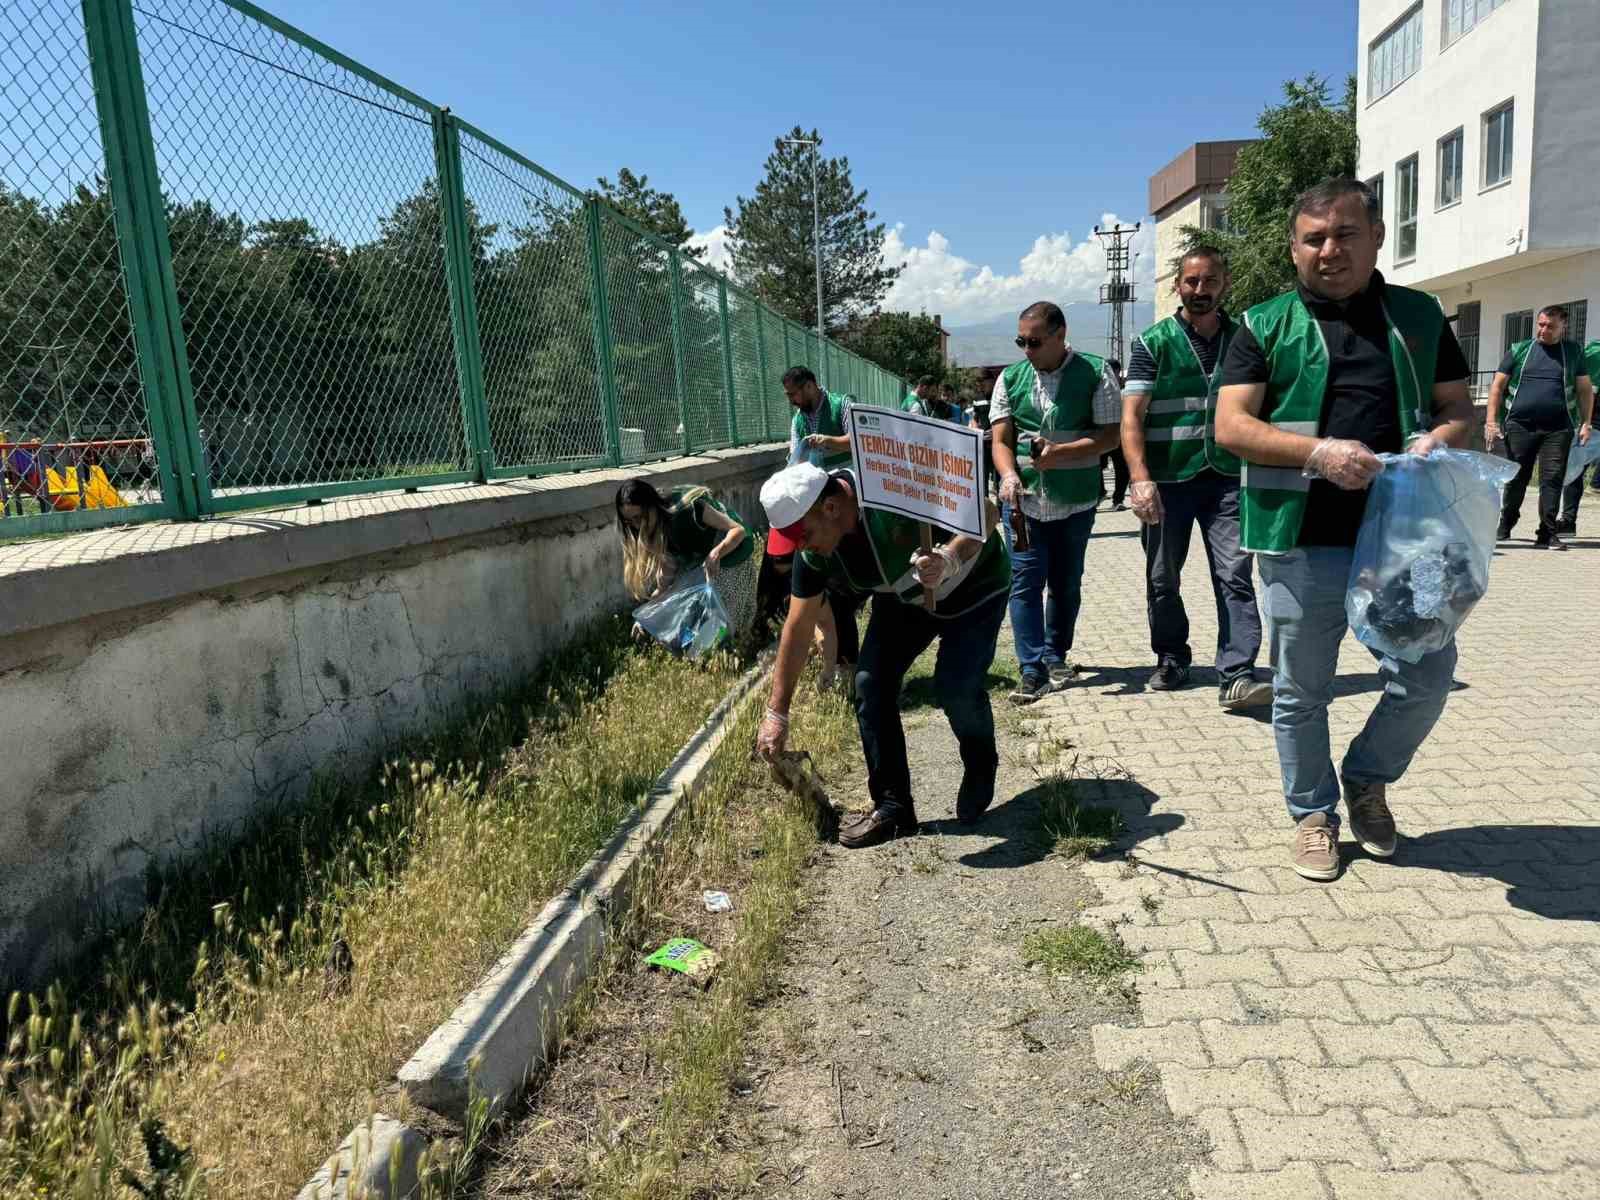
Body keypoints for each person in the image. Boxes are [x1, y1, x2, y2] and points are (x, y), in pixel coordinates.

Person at [1215, 176, 1473, 883]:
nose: (1330, 250)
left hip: (1406, 539)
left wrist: (1439, 438)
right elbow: (1231, 424)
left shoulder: (1419, 316)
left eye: (1346, 235)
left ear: (1377, 237)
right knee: (1301, 690)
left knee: (1427, 676)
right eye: (1314, 238)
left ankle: (1366, 779)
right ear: (1294, 247)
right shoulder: (1261, 324)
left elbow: (1458, 407)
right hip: (1301, 537)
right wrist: (1318, 454)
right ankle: (1313, 814)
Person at [755, 462, 1010, 848]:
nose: (802, 549)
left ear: (831, 507)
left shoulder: (894, 485)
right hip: (905, 598)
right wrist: (777, 714)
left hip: (975, 587)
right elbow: (798, 625)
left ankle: (979, 763)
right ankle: (893, 809)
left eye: (804, 536)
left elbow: (987, 509)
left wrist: (949, 557)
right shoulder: (814, 553)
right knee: (869, 686)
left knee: (956, 686)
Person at [1122, 247, 1272, 710]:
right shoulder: (1153, 342)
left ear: (1224, 283)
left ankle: (1238, 672)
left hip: (1226, 477)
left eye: (1209, 281)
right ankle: (1172, 656)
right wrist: (1139, 478)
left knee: (1234, 575)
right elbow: (1131, 416)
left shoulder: (1246, 338)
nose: (1200, 290)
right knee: (1163, 577)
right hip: (1167, 481)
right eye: (1191, 282)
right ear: (1178, 285)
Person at [990, 301, 1121, 704]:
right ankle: (1032, 671)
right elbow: (1000, 441)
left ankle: (1054, 653)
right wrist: (1009, 475)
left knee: (1066, 585)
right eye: (1021, 341)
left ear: (1060, 336)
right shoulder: (1010, 379)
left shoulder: (1097, 373)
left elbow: (1111, 435)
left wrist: (1060, 454)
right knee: (1024, 584)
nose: (1026, 350)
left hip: (1075, 504)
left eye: (1034, 342)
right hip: (1023, 505)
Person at [1484, 306, 1594, 549]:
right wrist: (1491, 421)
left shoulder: (1573, 352)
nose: (1543, 330)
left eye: (1550, 326)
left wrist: (1586, 422)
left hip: (1558, 428)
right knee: (1517, 479)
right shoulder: (1520, 349)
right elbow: (1497, 386)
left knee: (1552, 479)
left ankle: (1547, 532)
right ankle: (1506, 524)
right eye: (1541, 324)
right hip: (1520, 426)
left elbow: (1585, 389)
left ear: (1563, 327)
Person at [615, 478, 759, 645]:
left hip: (732, 552)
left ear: (652, 505)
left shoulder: (688, 509)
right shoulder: (657, 532)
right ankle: (705, 649)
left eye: (639, 517)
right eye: (629, 521)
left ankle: (735, 646)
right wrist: (644, 619)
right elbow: (664, 585)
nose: (636, 526)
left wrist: (716, 553)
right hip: (701, 560)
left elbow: (737, 530)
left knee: (722, 614)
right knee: (689, 610)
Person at [1557, 338, 1600, 534]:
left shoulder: (1592, 351)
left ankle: (1567, 521)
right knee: (1575, 467)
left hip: (1591, 421)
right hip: (1591, 420)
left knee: (1575, 467)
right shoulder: (1594, 351)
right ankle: (1567, 521)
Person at [784, 366, 852, 470]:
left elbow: (856, 442)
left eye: (793, 394)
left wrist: (827, 441)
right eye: (788, 395)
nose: (791, 401)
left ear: (809, 386)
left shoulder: (841, 404)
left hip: (846, 475)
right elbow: (795, 459)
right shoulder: (797, 420)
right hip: (816, 482)